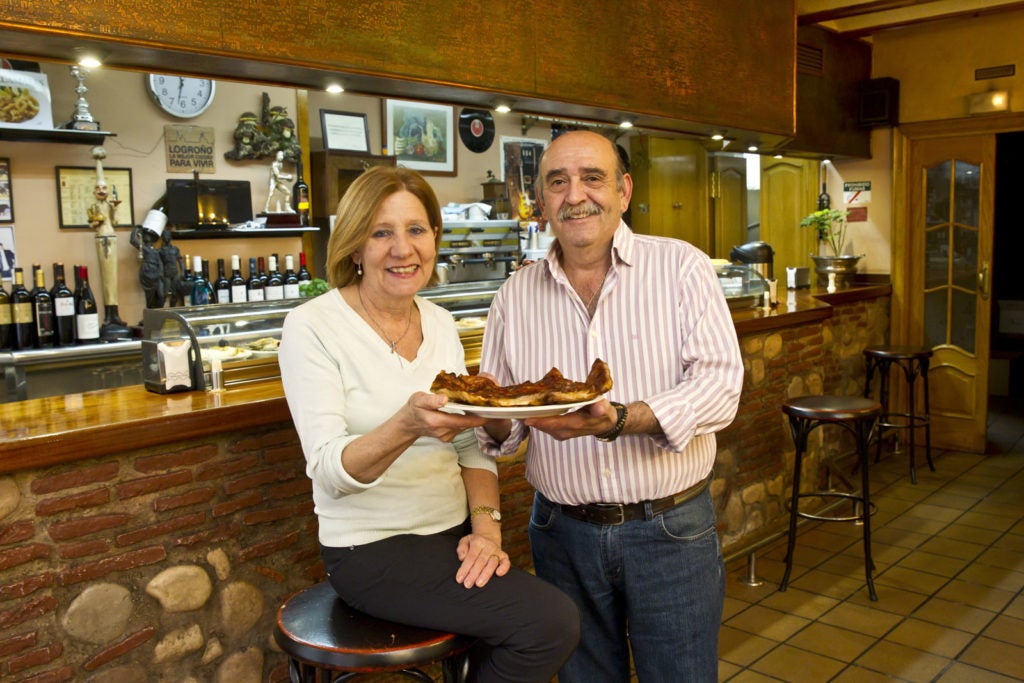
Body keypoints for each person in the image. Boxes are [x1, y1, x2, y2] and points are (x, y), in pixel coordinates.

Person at [278, 165, 579, 683]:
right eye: (381, 232)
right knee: (550, 623)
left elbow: (469, 445)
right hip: (370, 549)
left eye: (416, 230)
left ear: (434, 238)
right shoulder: (312, 326)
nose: (403, 249)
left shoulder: (439, 322)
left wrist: (486, 530)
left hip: (453, 534)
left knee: (517, 631)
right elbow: (328, 471)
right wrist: (406, 426)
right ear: (354, 246)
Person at [477, 130, 744, 682]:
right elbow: (502, 428)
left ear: (623, 190)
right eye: (558, 182)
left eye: (592, 178)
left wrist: (623, 419)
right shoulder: (514, 295)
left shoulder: (681, 269)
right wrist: (485, 410)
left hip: (669, 528)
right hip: (560, 533)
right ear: (542, 200)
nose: (576, 194)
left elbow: (721, 387)